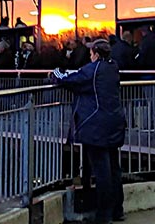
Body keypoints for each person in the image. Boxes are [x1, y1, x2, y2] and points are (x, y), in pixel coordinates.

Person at [51, 40, 127, 224]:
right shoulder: (112, 67)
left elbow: (68, 80)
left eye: (91, 53)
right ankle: (117, 210)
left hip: (96, 125)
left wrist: (55, 72)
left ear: (96, 54)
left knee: (102, 171)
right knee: (114, 168)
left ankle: (104, 214)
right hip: (113, 122)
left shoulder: (93, 70)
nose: (90, 56)